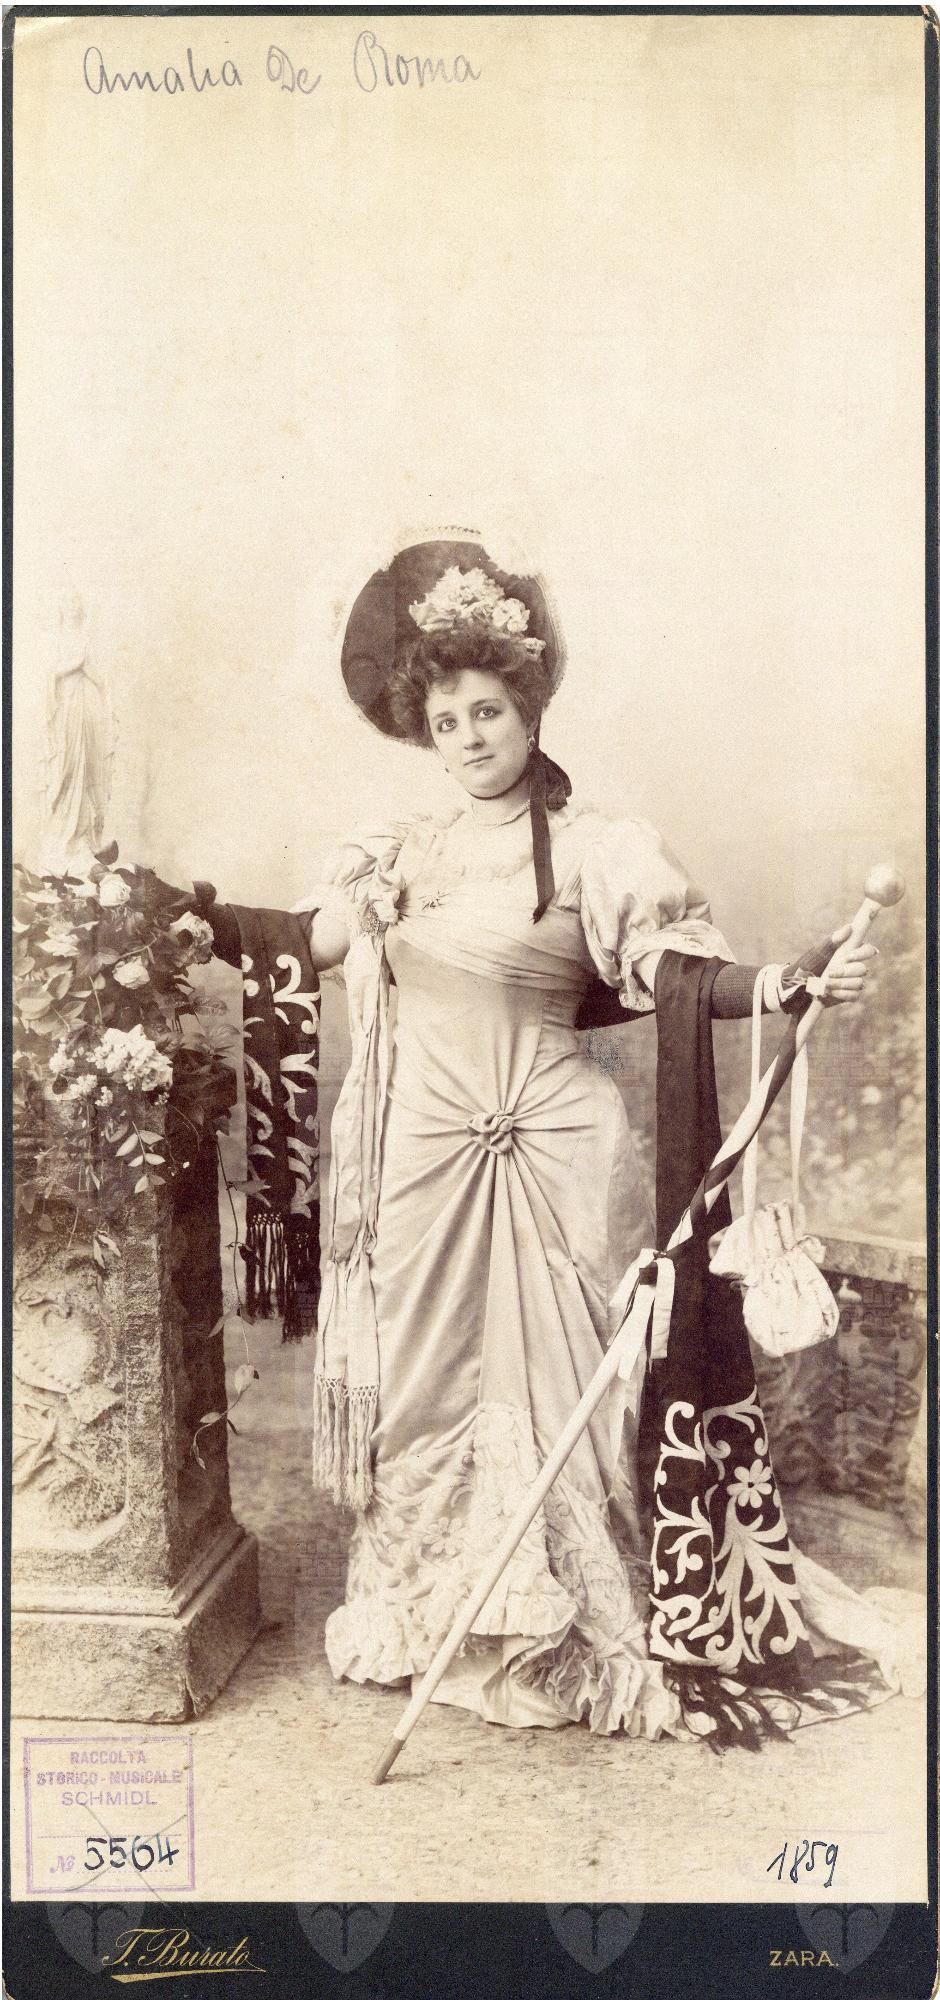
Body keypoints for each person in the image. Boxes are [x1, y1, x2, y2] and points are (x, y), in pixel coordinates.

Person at [273, 536, 918, 1745]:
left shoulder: (597, 847)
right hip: (421, 1160)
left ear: (529, 710)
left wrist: (785, 982)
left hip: (559, 1152)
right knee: (424, 1391)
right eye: (447, 719)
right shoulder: (398, 854)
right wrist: (181, 921)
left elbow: (680, 972)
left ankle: (569, 1616)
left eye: (488, 710)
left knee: (572, 1388)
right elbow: (309, 941)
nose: (469, 736)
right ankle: (436, 1612)